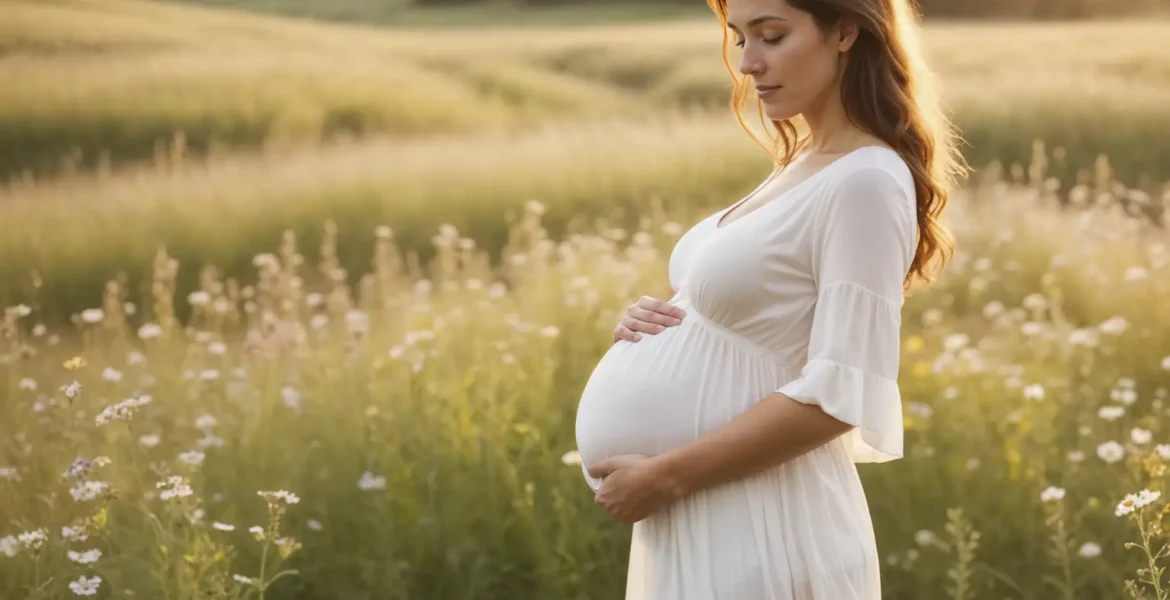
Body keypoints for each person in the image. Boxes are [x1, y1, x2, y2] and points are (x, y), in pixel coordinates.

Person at [571, 0, 967, 598]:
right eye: (739, 40)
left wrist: (667, 476)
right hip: (713, 512)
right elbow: (746, 317)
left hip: (766, 526)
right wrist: (659, 320)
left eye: (772, 36)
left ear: (845, 31)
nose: (750, 63)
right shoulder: (802, 161)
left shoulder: (866, 180)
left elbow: (841, 391)